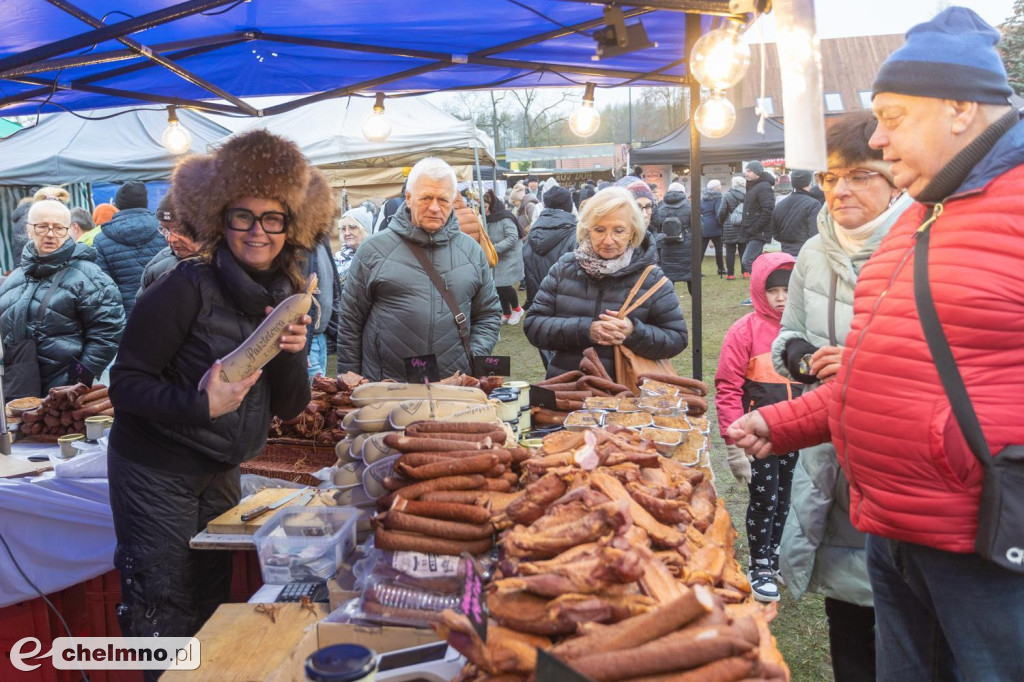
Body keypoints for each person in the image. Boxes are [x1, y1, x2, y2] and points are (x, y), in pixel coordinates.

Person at [728, 7, 1024, 680]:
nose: (881, 143)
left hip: (983, 545)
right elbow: (875, 377)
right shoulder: (918, 219)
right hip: (890, 532)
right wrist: (782, 421)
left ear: (958, 107)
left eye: (892, 117)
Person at [107, 130, 327, 659]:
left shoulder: (285, 294)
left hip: (221, 470)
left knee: (210, 603)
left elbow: (290, 408)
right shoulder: (182, 288)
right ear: (220, 221)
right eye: (242, 216)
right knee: (163, 610)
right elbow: (125, 385)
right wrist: (198, 405)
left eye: (272, 217)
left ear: (290, 225)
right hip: (155, 472)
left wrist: (294, 349)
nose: (258, 231)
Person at [770, 112, 912, 682]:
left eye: (859, 175)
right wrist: (806, 359)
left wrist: (860, 366)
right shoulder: (812, 252)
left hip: (899, 453)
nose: (841, 190)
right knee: (848, 609)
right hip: (831, 451)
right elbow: (787, 338)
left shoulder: (920, 244)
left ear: (893, 179)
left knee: (908, 613)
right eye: (830, 177)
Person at [337, 157, 501, 381]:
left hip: (453, 387)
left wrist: (473, 355)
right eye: (426, 198)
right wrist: (350, 381)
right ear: (408, 198)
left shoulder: (471, 251)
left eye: (443, 199)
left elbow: (488, 313)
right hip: (387, 387)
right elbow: (350, 322)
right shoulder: (373, 250)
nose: (434, 207)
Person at [524, 186, 687, 379]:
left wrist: (633, 332)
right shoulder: (564, 269)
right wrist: (586, 330)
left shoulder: (652, 279)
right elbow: (534, 325)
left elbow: (677, 338)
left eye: (619, 230)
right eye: (599, 230)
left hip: (627, 397)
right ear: (586, 230)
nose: (608, 240)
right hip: (570, 390)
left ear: (633, 233)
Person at [715, 252, 802, 602]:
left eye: (787, 289)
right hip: (758, 436)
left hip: (795, 432)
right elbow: (727, 387)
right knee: (764, 499)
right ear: (758, 291)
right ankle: (759, 562)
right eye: (773, 290)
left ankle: (776, 552)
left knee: (786, 498)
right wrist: (734, 442)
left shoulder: (803, 329)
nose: (781, 297)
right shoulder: (744, 330)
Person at [0, 198, 124, 396]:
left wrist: (77, 381)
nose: (50, 234)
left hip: (66, 396)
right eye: (42, 227)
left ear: (70, 231)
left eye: (58, 228)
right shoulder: (15, 278)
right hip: (19, 392)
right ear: (29, 230)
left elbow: (107, 333)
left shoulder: (90, 277)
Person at [93, 180, 165, 317]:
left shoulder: (102, 240)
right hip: (165, 314)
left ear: (118, 204)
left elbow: (102, 289)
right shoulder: (166, 233)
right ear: (145, 202)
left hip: (124, 319)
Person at [523, 185, 578, 312]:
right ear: (568, 205)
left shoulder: (532, 233)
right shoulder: (574, 234)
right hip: (568, 305)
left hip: (539, 304)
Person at [138, 191, 202, 294]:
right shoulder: (161, 262)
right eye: (165, 230)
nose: (170, 239)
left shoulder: (230, 262)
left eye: (180, 230)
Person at [483, 189, 525, 325]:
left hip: (509, 256)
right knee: (497, 285)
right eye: (482, 207)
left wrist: (494, 248)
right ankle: (506, 313)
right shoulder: (488, 219)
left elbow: (513, 237)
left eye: (485, 207)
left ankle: (517, 309)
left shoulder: (505, 218)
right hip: (497, 256)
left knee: (504, 284)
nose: (483, 210)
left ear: (492, 205)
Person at [771, 169, 824, 257]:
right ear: (809, 182)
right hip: (806, 254)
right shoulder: (813, 204)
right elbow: (815, 233)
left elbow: (775, 232)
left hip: (786, 254)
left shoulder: (780, 205)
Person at [651, 180, 692, 292]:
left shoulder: (661, 208)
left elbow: (656, 227)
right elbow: (699, 227)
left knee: (668, 278)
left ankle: (668, 302)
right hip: (687, 249)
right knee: (692, 278)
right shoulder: (689, 207)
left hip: (667, 248)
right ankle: (696, 305)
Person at [739, 161, 776, 276]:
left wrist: (755, 228)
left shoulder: (764, 187)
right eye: (746, 170)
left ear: (757, 172)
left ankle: (763, 282)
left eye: (749, 171)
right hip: (752, 231)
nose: (746, 173)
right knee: (755, 260)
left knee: (747, 260)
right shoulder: (753, 186)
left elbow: (768, 210)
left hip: (758, 232)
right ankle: (761, 285)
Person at [333, 207, 372, 285]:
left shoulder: (375, 257)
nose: (347, 233)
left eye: (352, 227)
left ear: (365, 230)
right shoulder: (336, 259)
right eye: (343, 229)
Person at [718, 176, 746, 280]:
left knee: (730, 251)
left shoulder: (727, 195)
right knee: (744, 249)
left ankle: (730, 274)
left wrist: (722, 222)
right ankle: (746, 272)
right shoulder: (747, 195)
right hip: (743, 225)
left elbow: (722, 211)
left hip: (730, 226)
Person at [700, 179, 726, 276]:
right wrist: (721, 224)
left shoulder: (703, 198)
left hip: (704, 226)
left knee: (701, 250)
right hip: (715, 226)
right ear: (715, 188)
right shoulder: (718, 198)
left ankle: (697, 270)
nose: (721, 187)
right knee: (718, 249)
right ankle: (721, 268)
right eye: (719, 185)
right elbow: (718, 213)